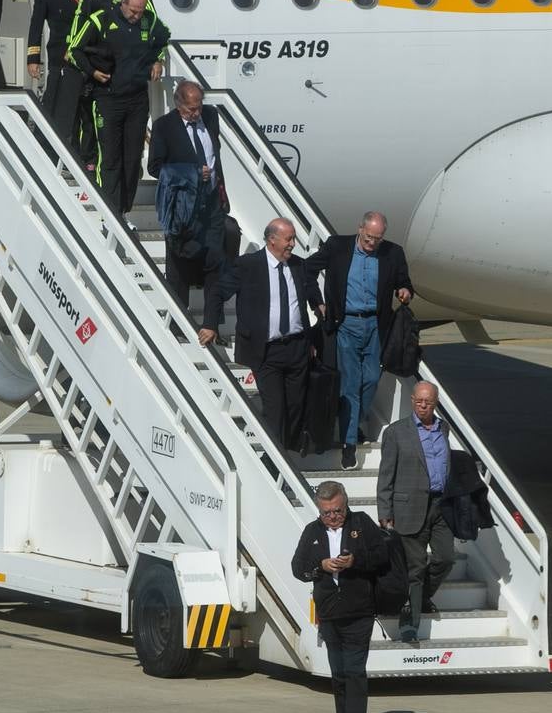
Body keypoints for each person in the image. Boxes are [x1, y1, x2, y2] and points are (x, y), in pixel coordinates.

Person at [199, 217, 320, 452]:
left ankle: (288, 452)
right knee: (275, 410)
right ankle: (276, 464)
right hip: (266, 350)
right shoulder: (248, 265)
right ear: (272, 240)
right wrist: (210, 324)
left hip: (297, 347)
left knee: (296, 406)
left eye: (293, 238)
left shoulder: (298, 265)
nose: (293, 244)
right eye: (289, 239)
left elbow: (305, 295)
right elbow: (217, 291)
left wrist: (318, 307)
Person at [306, 212, 413, 469]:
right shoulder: (337, 247)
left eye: (377, 238)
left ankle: (351, 423)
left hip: (376, 325)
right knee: (351, 385)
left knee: (372, 380)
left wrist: (405, 290)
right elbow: (307, 269)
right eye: (368, 237)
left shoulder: (392, 253)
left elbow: (404, 280)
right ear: (359, 229)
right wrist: (317, 302)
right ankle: (349, 444)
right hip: (346, 325)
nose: (372, 243)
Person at [291, 481, 388, 713]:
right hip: (330, 612)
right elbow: (298, 568)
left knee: (355, 669)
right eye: (327, 513)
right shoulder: (313, 531)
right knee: (339, 671)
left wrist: (355, 561)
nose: (333, 517)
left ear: (345, 504)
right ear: (319, 511)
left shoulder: (362, 523)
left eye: (338, 511)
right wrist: (320, 565)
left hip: (359, 610)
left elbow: (382, 557)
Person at [67, 0, 170, 223]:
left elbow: (164, 37)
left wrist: (158, 61)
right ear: (122, 4)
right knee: (110, 157)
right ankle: (109, 211)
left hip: (136, 99)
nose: (136, 16)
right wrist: (92, 72)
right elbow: (75, 50)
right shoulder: (100, 19)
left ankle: (123, 209)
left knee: (133, 158)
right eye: (133, 11)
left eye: (140, 11)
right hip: (107, 97)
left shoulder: (149, 21)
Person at [376, 380, 456, 641]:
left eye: (428, 403)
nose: (423, 406)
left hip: (440, 505)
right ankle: (410, 621)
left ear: (436, 404)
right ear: (412, 400)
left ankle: (420, 598)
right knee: (415, 567)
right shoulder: (397, 432)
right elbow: (386, 474)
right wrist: (384, 509)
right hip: (408, 508)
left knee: (445, 558)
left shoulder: (443, 428)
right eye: (419, 401)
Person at [148, 81, 228, 308]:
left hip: (211, 203)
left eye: (199, 107)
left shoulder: (211, 116)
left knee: (215, 263)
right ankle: (178, 322)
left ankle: (212, 322)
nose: (196, 113)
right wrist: (191, 173)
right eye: (191, 109)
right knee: (178, 267)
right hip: (182, 207)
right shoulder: (164, 126)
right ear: (179, 105)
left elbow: (215, 154)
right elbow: (155, 167)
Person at [27, 0, 88, 163]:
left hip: (88, 60)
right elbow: (35, 26)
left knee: (83, 112)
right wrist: (33, 58)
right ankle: (49, 154)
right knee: (57, 108)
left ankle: (82, 156)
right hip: (60, 60)